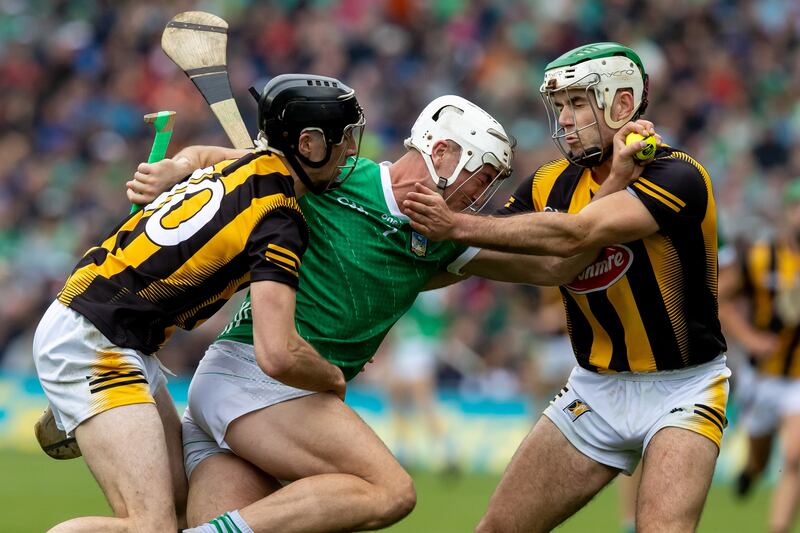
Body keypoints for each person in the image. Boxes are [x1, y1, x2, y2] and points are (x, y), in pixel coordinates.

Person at [121, 92, 650, 532]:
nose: (482, 195)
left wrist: (614, 185)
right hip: (257, 375)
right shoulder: (334, 176)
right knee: (390, 490)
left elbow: (558, 268)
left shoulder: (442, 235)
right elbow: (213, 159)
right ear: (443, 154)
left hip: (271, 398)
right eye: (482, 175)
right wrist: (173, 168)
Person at [404, 41, 729, 532]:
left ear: (622, 103)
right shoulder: (546, 183)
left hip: (682, 387)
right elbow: (501, 258)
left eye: (578, 102)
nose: (566, 119)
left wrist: (452, 225)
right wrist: (394, 272)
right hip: (594, 388)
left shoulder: (678, 174)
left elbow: (577, 233)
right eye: (559, 106)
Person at [31, 73, 365, 532]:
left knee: (183, 505)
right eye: (343, 139)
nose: (350, 151)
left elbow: (205, 155)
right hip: (95, 341)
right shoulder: (278, 222)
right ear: (308, 144)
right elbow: (277, 352)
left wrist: (177, 166)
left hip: (111, 332)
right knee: (150, 526)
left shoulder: (253, 166)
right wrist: (331, 378)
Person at [719, 179, 800, 533]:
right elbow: (721, 299)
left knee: (796, 456)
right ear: (788, 212)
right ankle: (751, 472)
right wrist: (751, 339)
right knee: (760, 458)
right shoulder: (761, 257)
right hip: (763, 376)